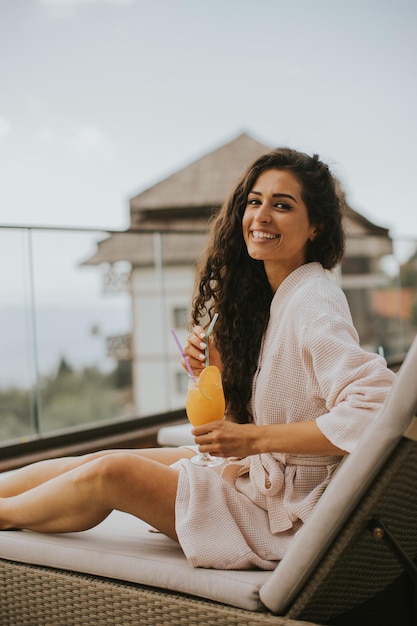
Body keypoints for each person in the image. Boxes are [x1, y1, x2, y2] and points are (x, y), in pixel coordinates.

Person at [0, 147, 395, 571]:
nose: (261, 215)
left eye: (282, 205)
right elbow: (232, 413)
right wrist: (212, 368)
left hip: (283, 515)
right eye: (254, 201)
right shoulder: (275, 297)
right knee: (94, 460)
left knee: (112, 472)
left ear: (315, 225)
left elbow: (374, 407)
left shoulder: (314, 299)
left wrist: (255, 440)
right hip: (256, 478)